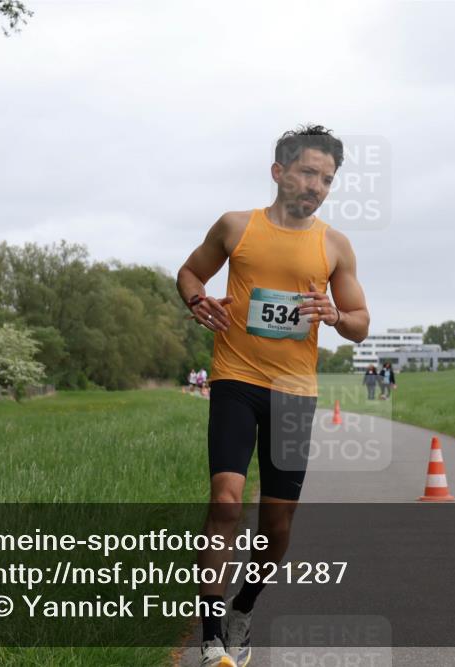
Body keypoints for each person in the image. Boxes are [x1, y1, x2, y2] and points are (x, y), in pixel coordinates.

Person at [176, 124, 370, 667]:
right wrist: (197, 299)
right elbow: (190, 272)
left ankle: (245, 606)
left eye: (327, 179)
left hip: (294, 392)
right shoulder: (236, 227)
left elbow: (360, 323)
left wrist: (335, 314)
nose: (316, 186)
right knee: (226, 499)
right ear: (279, 172)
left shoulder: (334, 246)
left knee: (277, 525)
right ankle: (212, 633)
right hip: (236, 379)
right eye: (308, 172)